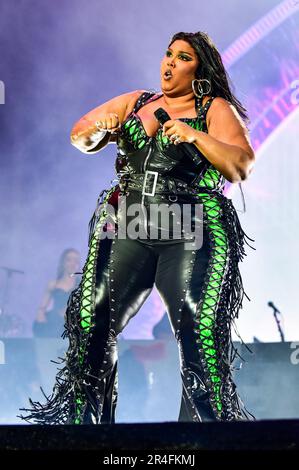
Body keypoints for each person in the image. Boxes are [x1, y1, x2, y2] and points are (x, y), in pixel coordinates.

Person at [19, 31, 256, 425]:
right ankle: (88, 432)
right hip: (127, 222)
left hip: (188, 226)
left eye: (182, 57)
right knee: (90, 321)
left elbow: (241, 164)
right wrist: (102, 130)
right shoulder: (138, 101)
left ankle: (211, 435)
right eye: (168, 54)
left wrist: (194, 134)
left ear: (200, 69)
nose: (170, 62)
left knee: (199, 331)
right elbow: (79, 134)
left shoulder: (213, 108)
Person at [32, 249, 81, 338]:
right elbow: (42, 307)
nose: (72, 263)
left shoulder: (82, 285)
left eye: (76, 260)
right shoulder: (53, 284)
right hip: (55, 322)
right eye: (69, 260)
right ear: (63, 262)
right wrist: (41, 316)